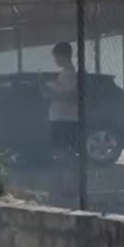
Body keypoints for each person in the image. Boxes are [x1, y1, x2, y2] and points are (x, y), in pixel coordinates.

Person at [43, 42, 79, 205]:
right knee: (60, 154)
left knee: (64, 154)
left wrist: (51, 93)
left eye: (56, 56)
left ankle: (70, 188)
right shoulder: (64, 74)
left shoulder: (70, 74)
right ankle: (65, 187)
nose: (55, 60)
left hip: (64, 119)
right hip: (59, 118)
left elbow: (69, 97)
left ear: (63, 56)